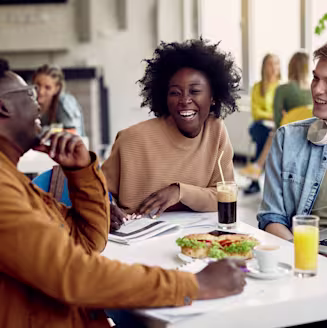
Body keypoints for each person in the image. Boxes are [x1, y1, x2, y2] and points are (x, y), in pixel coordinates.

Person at [0, 62, 246, 327]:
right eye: (29, 93)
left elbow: (89, 241)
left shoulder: (14, 181)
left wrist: (82, 172)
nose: (39, 103)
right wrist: (195, 284)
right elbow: (74, 274)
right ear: (3, 107)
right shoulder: (4, 190)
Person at [102, 38, 241, 218]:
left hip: (195, 235)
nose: (184, 100)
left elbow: (224, 196)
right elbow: (96, 193)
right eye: (175, 92)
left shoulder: (216, 130)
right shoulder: (132, 139)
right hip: (136, 237)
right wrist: (106, 207)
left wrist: (179, 192)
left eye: (195, 91)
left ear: (213, 97)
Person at [257, 42, 327, 240]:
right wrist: (299, 255)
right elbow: (271, 217)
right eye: (315, 78)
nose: (317, 90)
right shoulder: (286, 139)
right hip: (301, 255)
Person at [240, 52, 313, 185]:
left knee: (272, 134)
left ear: (290, 66)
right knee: (266, 133)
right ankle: (259, 172)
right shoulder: (314, 89)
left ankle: (258, 168)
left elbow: (279, 121)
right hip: (310, 136)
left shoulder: (282, 89)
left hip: (287, 135)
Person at [240, 54, 280, 195]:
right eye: (269, 64)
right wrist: (271, 115)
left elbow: (282, 112)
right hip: (259, 125)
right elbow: (256, 112)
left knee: (265, 137)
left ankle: (255, 180)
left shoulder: (281, 87)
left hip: (275, 126)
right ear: (264, 66)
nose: (273, 67)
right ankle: (263, 176)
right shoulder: (258, 87)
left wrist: (273, 116)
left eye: (275, 64)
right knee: (263, 133)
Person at [32, 64, 85, 135]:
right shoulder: (29, 103)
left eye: (47, 87)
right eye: (37, 85)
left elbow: (74, 132)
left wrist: (51, 131)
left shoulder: (65, 102)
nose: (41, 91)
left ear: (57, 88)